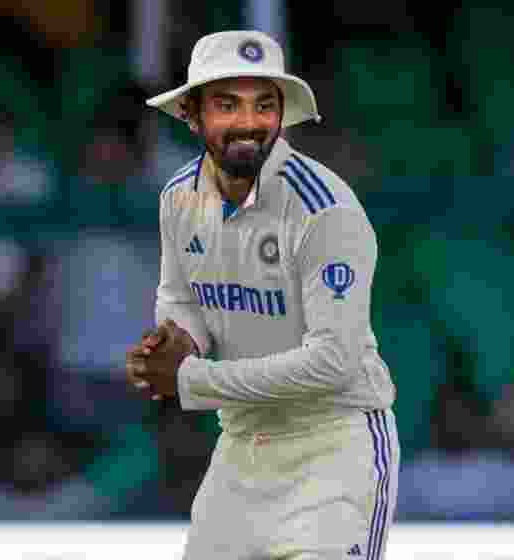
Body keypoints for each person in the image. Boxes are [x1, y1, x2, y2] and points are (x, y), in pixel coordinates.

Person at [126, 31, 399, 559]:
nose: (248, 123)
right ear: (191, 112)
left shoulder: (325, 210)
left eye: (264, 105)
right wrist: (176, 340)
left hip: (334, 447)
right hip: (240, 448)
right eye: (227, 105)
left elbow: (333, 364)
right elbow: (180, 296)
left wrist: (191, 378)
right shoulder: (177, 196)